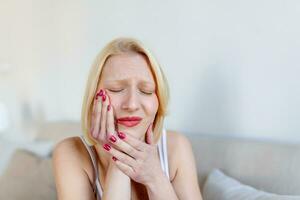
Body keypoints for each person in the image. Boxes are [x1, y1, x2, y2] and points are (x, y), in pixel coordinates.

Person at [52, 37, 202, 200]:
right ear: (94, 96)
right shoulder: (70, 153)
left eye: (146, 90)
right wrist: (119, 158)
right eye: (116, 89)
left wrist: (155, 178)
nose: (131, 104)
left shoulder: (176, 147)